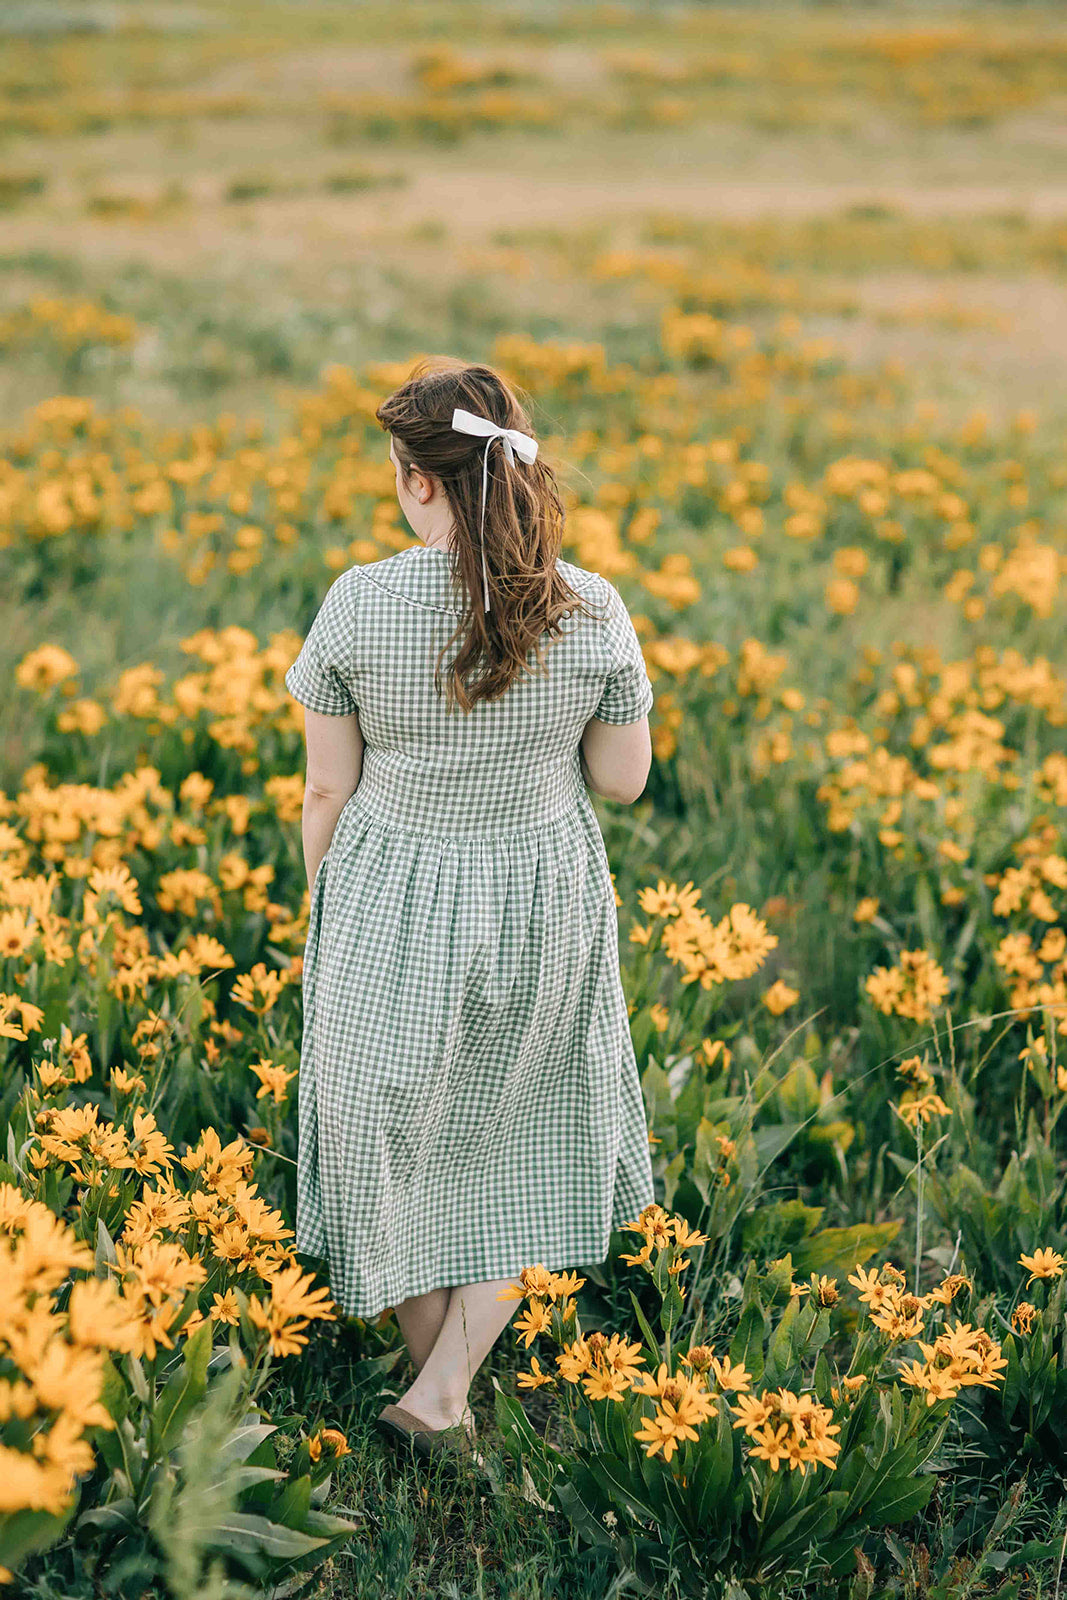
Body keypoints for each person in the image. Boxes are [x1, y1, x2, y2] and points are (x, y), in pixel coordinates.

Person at [284, 355, 656, 1456]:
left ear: (419, 481)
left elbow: (324, 786)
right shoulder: (589, 606)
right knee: (536, 1121)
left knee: (379, 1138)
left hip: (394, 886)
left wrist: (330, 904)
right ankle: (446, 1390)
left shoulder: (358, 599)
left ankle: (436, 1389)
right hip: (540, 886)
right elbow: (621, 780)